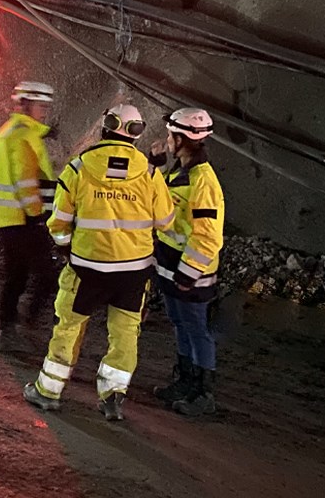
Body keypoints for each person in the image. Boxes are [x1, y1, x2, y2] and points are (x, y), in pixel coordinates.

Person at [23, 104, 175, 421]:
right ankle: (112, 399)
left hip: (87, 268)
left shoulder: (79, 169)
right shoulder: (149, 173)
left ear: (104, 127)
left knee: (68, 328)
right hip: (132, 273)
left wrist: (66, 250)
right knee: (124, 335)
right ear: (136, 133)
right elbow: (165, 221)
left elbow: (58, 223)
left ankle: (49, 391)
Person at [149, 108, 225, 417]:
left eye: (170, 136)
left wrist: (188, 272)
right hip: (171, 265)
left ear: (182, 140)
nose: (166, 140)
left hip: (190, 273)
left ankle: (203, 392)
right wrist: (154, 166)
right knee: (180, 323)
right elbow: (159, 202)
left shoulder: (203, 181)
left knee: (196, 328)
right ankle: (184, 380)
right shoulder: (180, 171)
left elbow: (208, 236)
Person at [0, 81, 59, 353]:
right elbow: (25, 182)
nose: (45, 112)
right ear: (25, 104)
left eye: (46, 107)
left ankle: (9, 329)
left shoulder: (10, 131)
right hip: (22, 218)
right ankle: (24, 326)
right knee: (47, 276)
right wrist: (38, 215)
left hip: (8, 218)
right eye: (41, 106)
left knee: (17, 274)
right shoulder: (23, 135)